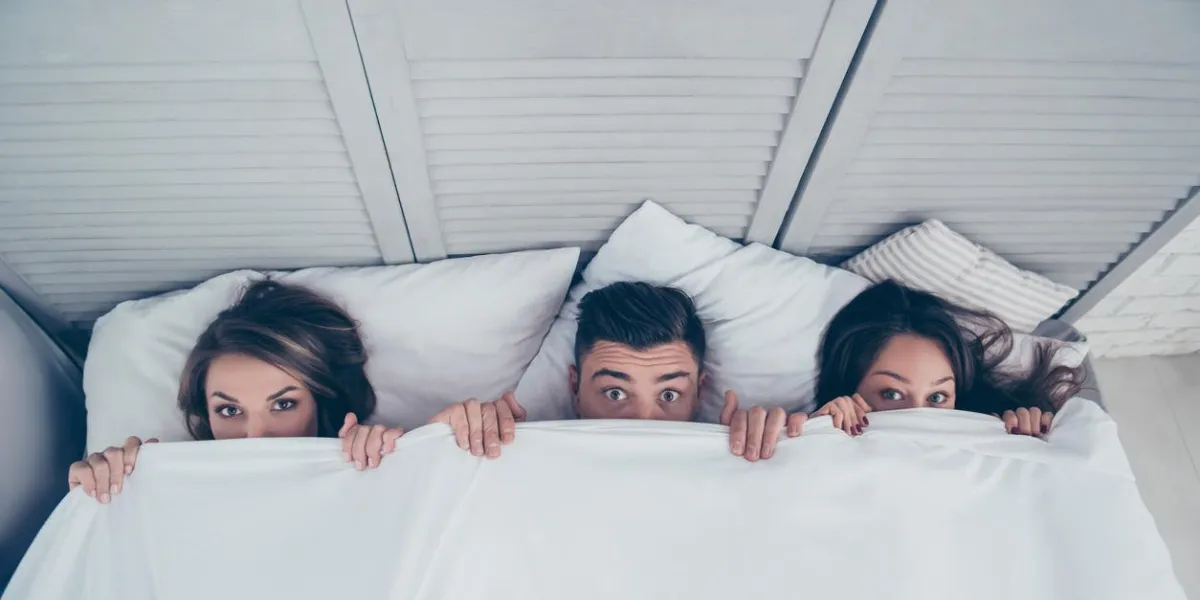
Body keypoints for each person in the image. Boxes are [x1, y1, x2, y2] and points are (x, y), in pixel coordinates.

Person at [68, 279, 404, 503]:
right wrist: (107, 492)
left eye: (284, 404)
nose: (254, 437)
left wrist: (391, 468)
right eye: (230, 411)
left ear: (322, 401)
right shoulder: (177, 494)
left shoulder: (374, 476)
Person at [431, 281, 797, 462]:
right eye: (615, 393)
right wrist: (442, 447)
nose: (642, 421)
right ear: (574, 387)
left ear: (700, 393)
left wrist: (778, 454)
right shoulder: (518, 458)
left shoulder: (733, 459)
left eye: (669, 395)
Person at [803, 279, 1085, 438]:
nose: (917, 414)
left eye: (937, 397)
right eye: (892, 393)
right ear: (847, 388)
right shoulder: (812, 432)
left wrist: (1026, 447)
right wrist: (815, 437)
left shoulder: (993, 436)